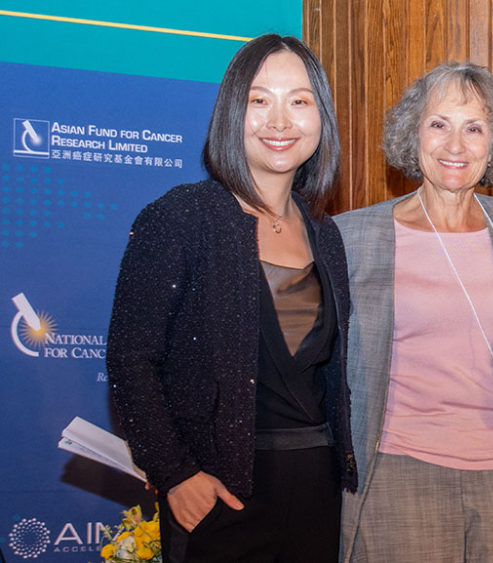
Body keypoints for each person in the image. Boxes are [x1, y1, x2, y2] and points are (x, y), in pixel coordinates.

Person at [107, 34, 356, 562]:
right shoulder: (180, 218)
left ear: (322, 118)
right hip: (218, 498)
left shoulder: (325, 234)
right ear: (230, 113)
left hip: (316, 493)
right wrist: (175, 473)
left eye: (299, 100)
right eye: (258, 100)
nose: (279, 121)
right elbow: (131, 360)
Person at [334, 62, 493, 562]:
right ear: (413, 132)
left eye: (474, 128)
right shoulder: (354, 236)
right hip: (399, 474)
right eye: (439, 124)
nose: (455, 145)